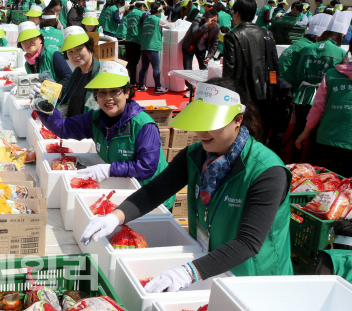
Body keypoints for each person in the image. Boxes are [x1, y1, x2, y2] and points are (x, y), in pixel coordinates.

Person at [81, 77, 293, 289]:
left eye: (212, 123)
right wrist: (115, 217)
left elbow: (249, 242)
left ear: (237, 120)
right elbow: (155, 191)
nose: (201, 132)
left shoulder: (267, 172)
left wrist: (189, 272)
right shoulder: (195, 155)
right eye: (199, 121)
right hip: (209, 266)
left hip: (255, 278)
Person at [35, 61, 174, 208]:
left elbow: (146, 167)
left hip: (155, 198)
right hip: (125, 193)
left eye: (115, 91)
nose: (108, 98)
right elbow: (63, 127)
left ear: (127, 92)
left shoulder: (143, 126)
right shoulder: (95, 119)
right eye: (102, 92)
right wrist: (44, 104)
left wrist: (108, 169)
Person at [223, 0, 279, 143]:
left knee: (243, 130)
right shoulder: (267, 34)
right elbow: (274, 66)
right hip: (266, 91)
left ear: (237, 13)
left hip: (243, 92)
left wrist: (227, 93)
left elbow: (229, 69)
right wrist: (273, 86)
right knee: (261, 129)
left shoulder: (233, 35)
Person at [290, 30, 347, 162]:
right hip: (323, 98)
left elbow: (299, 72)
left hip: (304, 95)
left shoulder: (307, 48)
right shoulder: (340, 53)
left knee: (298, 133)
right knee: (315, 139)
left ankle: (294, 166)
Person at [56, 27, 100, 117]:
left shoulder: (101, 74)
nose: (75, 55)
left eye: (79, 49)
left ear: (89, 47)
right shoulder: (76, 73)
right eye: (70, 52)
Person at [17, 21, 70, 89]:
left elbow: (68, 76)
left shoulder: (53, 55)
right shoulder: (28, 64)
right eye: (24, 40)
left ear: (40, 39)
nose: (28, 42)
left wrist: (54, 90)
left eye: (32, 37)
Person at [137, 2, 176, 93]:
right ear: (159, 11)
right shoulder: (158, 20)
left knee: (144, 67)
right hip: (153, 47)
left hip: (144, 46)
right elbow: (170, 26)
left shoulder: (146, 19)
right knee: (156, 68)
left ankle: (141, 86)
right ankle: (158, 87)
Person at [181, 10, 220, 97]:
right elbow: (195, 33)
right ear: (205, 18)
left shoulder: (216, 27)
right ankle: (189, 89)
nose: (213, 22)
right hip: (189, 45)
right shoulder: (197, 21)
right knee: (188, 68)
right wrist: (206, 25)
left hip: (202, 47)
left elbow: (215, 42)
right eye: (211, 20)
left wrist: (210, 55)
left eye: (215, 20)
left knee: (204, 67)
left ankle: (204, 89)